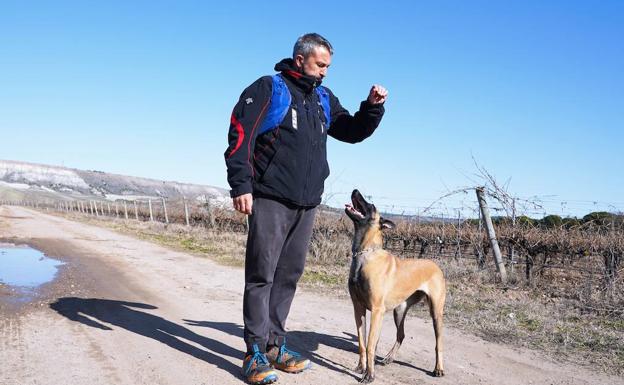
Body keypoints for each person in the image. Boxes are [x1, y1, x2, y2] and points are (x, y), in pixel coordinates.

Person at [224, 33, 387, 384]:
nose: (326, 72)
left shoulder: (323, 99)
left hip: (307, 204)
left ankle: (275, 344)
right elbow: (240, 134)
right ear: (300, 60)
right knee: (261, 275)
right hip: (269, 198)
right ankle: (254, 352)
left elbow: (351, 130)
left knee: (288, 276)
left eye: (329, 65)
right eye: (321, 64)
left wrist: (372, 108)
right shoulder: (270, 89)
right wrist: (241, 185)